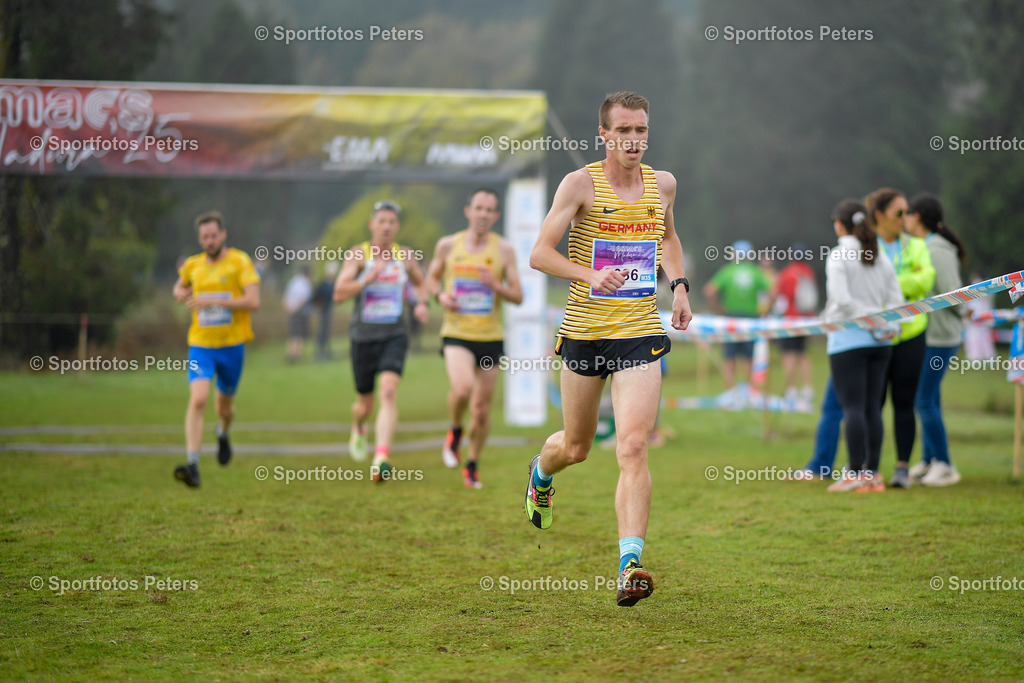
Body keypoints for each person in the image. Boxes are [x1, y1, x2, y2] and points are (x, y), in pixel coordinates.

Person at [525, 91, 692, 607]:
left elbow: (667, 237)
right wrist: (592, 274)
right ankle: (539, 474)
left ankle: (629, 565)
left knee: (633, 446)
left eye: (641, 130)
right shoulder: (579, 185)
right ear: (604, 134)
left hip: (639, 331)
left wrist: (679, 286)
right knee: (575, 447)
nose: (634, 140)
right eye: (624, 131)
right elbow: (539, 254)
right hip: (584, 333)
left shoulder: (662, 185)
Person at [426, 188, 523, 489]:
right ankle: (455, 429)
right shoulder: (447, 246)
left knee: (482, 409)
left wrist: (496, 284)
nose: (483, 214)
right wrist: (441, 295)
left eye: (489, 210)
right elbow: (431, 278)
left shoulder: (504, 250)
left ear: (496, 216)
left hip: (490, 337)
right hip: (457, 333)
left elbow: (518, 296)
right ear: (468, 211)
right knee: (463, 388)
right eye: (478, 208)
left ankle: (472, 464)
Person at [333, 200, 429, 482]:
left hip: (394, 335)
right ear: (372, 224)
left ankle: (381, 457)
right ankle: (359, 426)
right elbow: (338, 293)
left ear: (397, 227)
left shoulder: (406, 256)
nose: (386, 227)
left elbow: (420, 282)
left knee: (388, 392)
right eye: (381, 221)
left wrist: (421, 304)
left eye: (391, 222)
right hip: (362, 337)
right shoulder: (358, 255)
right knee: (364, 405)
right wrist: (367, 277)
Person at [172, 211, 261, 487]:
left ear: (223, 235)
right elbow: (179, 286)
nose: (209, 241)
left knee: (225, 408)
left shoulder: (239, 261)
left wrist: (216, 302)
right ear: (199, 239)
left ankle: (222, 432)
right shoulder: (192, 265)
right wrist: (179, 292)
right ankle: (193, 464)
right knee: (198, 399)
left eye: (213, 235)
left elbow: (253, 301)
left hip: (232, 346)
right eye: (204, 237)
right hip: (201, 345)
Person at [823, 201, 905, 492]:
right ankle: (871, 474)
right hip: (880, 342)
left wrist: (873, 323)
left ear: (839, 224)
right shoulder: (878, 253)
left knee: (853, 408)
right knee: (872, 408)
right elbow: (897, 299)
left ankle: (855, 473)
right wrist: (887, 324)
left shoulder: (837, 255)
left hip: (848, 340)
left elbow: (842, 300)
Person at [867, 188, 936, 489]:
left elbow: (926, 279)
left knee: (904, 402)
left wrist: (891, 284)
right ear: (879, 215)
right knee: (874, 402)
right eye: (899, 212)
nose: (904, 218)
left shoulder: (917, 245)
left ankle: (902, 468)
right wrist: (903, 287)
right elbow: (864, 284)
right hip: (876, 335)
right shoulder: (866, 245)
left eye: (907, 212)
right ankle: (869, 467)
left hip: (912, 333)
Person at [905, 193, 966, 486]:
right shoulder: (923, 246)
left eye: (907, 213)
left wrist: (965, 314)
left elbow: (954, 295)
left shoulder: (937, 249)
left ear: (917, 217)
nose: (903, 218)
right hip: (928, 336)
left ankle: (945, 464)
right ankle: (929, 460)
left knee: (923, 401)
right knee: (930, 399)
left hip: (941, 337)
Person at [703, 240, 772, 401]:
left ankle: (730, 394)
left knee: (729, 357)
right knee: (749, 357)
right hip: (750, 319)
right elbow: (772, 291)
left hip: (731, 318)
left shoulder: (728, 271)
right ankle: (749, 394)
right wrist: (767, 309)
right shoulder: (756, 272)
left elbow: (709, 291)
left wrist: (717, 309)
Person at [771, 246, 818, 410]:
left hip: (790, 319)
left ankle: (791, 390)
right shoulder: (808, 272)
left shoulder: (786, 273)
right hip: (806, 320)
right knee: (803, 354)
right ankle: (807, 389)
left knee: (789, 355)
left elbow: (776, 294)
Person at [283, 265, 313, 363]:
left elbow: (286, 296)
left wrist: (288, 308)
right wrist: (295, 309)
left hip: (291, 311)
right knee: (299, 334)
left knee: (293, 334)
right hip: (300, 312)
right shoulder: (305, 283)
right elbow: (303, 299)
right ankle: (296, 355)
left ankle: (291, 353)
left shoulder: (293, 281)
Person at [312, 261, 340, 362]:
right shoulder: (322, 284)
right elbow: (314, 298)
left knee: (326, 332)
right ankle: (320, 353)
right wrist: (320, 304)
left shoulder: (333, 284)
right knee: (322, 332)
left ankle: (326, 352)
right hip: (323, 311)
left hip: (329, 310)